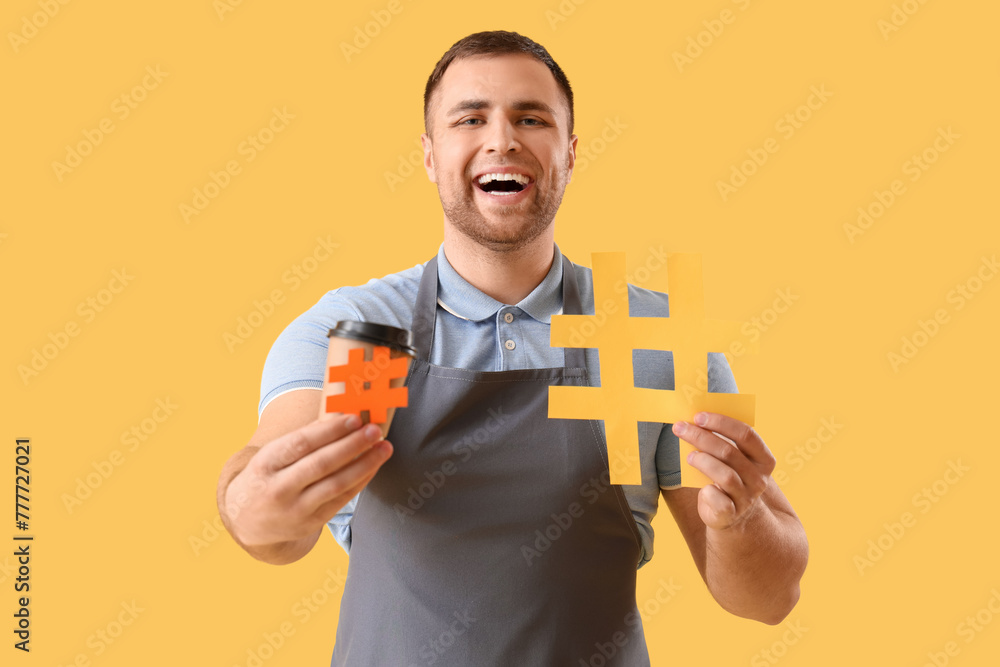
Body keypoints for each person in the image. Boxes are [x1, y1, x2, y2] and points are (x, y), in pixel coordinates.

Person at [217, 30, 808, 666]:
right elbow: (273, 521)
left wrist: (741, 522)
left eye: (531, 117)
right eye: (470, 118)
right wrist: (256, 505)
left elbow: (767, 600)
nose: (502, 139)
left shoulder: (649, 335)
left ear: (571, 151)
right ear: (428, 153)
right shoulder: (365, 333)